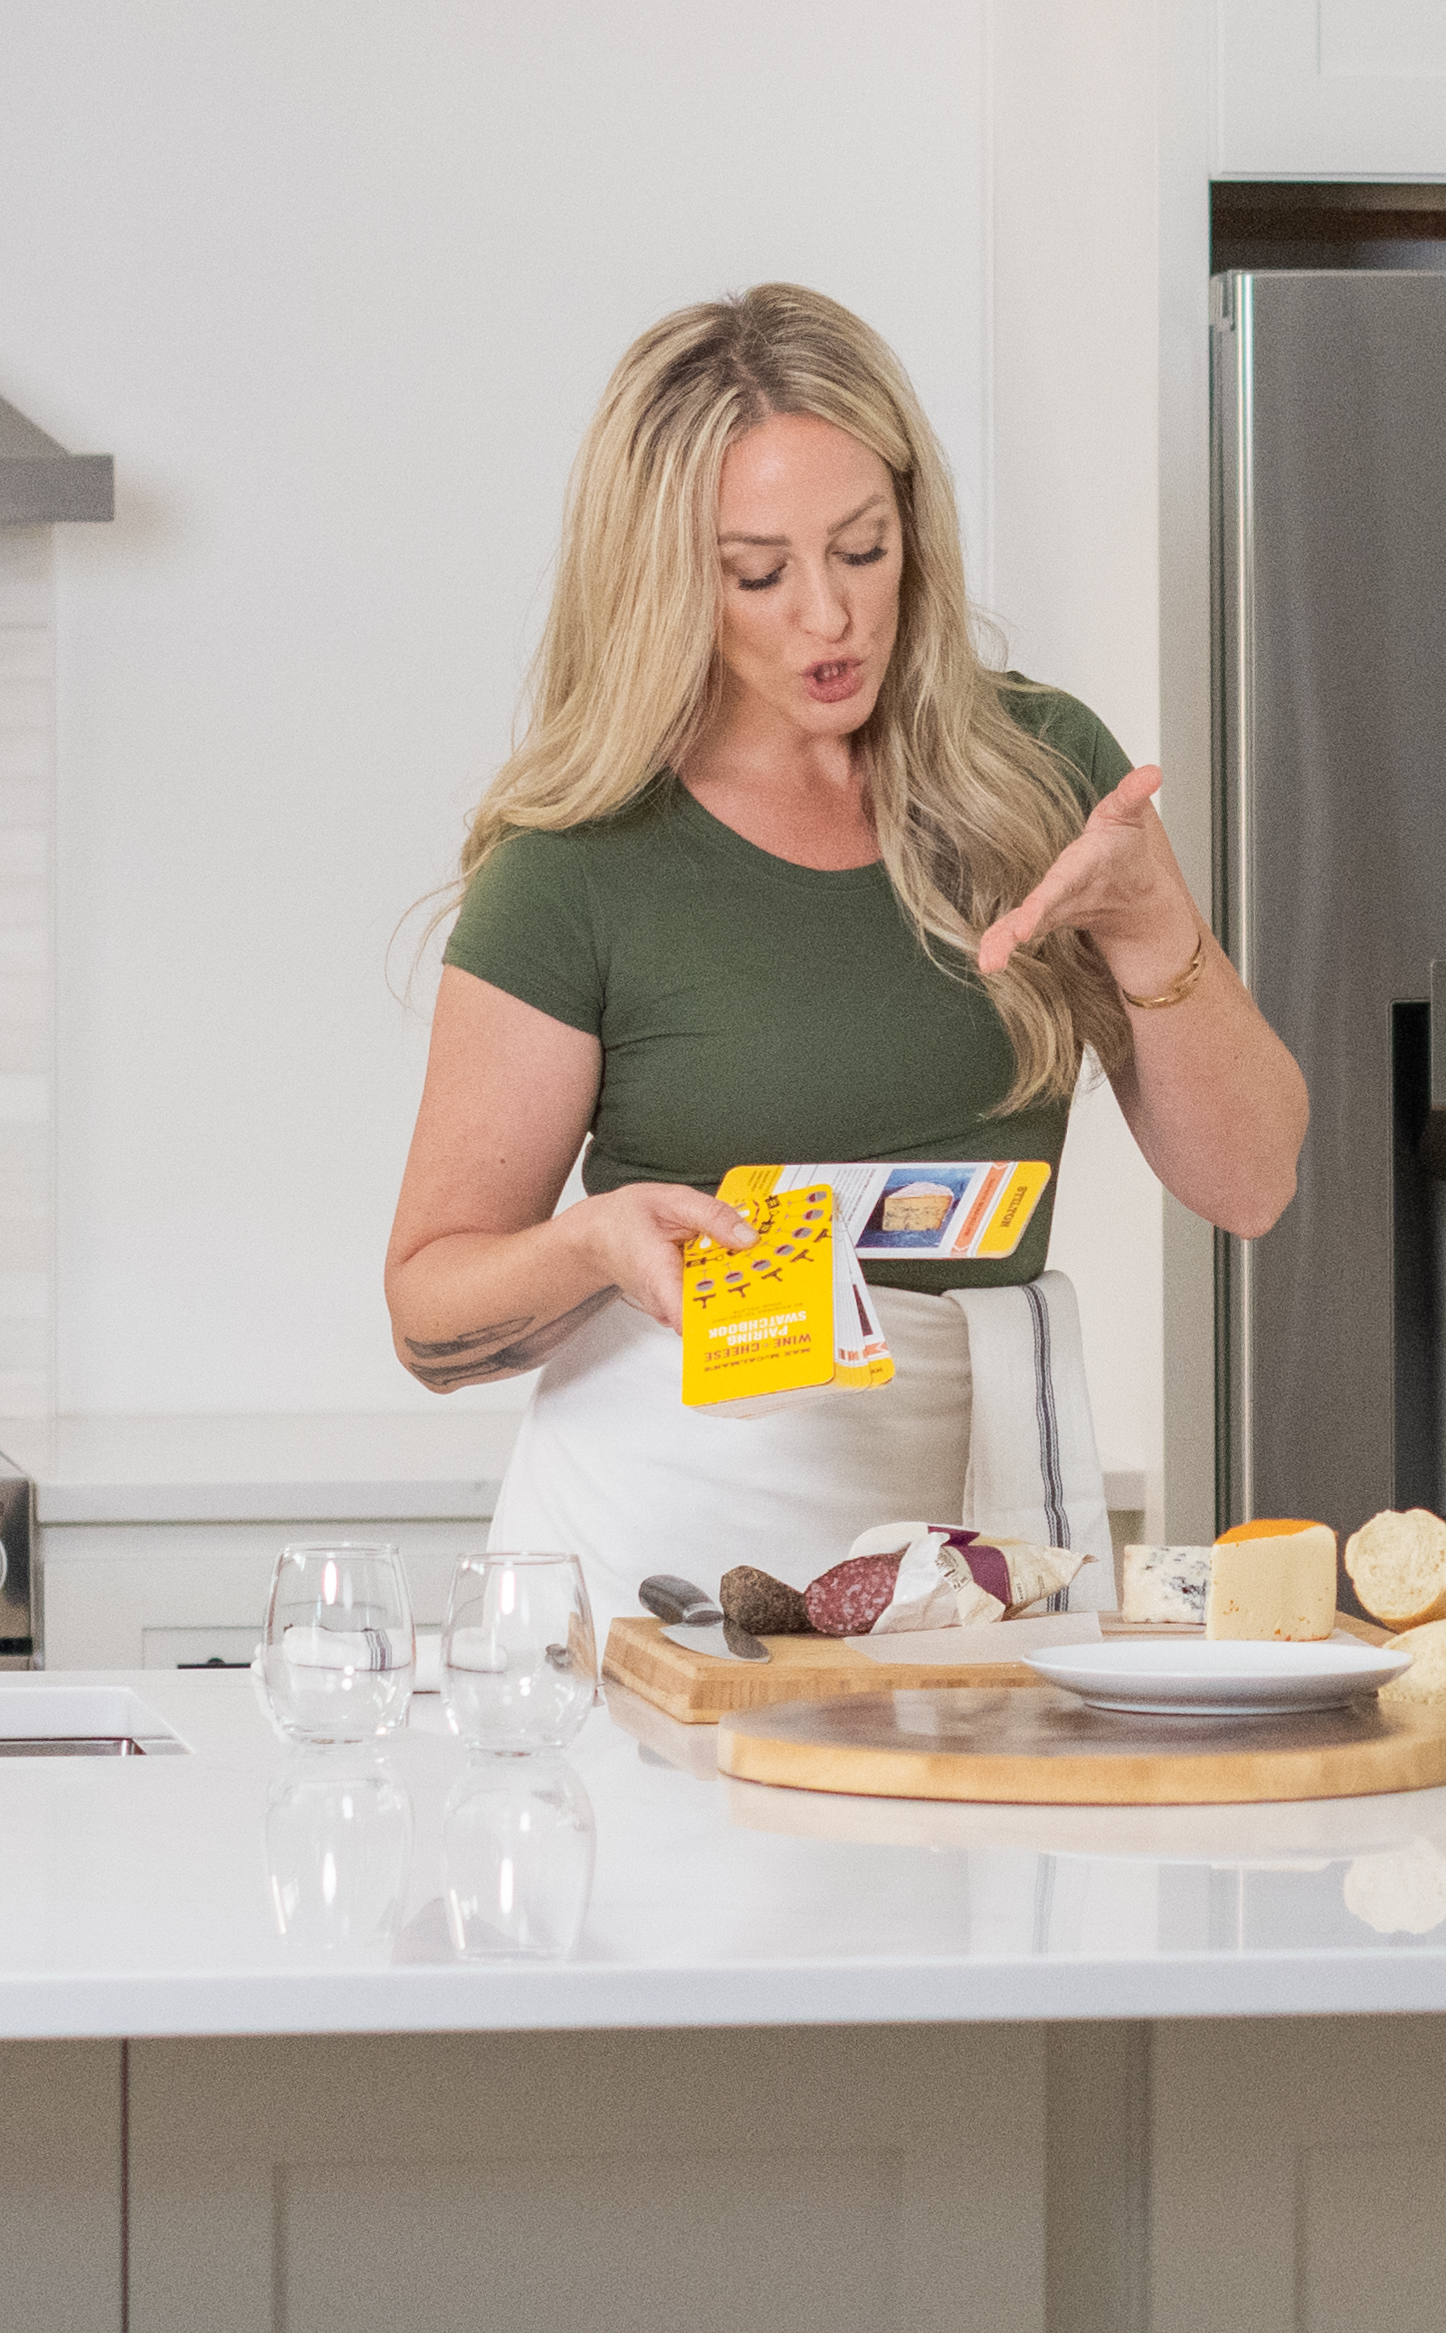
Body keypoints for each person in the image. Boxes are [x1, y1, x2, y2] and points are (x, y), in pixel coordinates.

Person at [388, 285, 1304, 1613]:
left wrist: (1157, 919)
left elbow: (1254, 1184)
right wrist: (592, 1244)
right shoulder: (576, 868)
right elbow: (430, 1311)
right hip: (656, 1571)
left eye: (863, 548)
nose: (828, 613)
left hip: (971, 1558)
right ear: (664, 580)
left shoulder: (1040, 777)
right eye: (758, 573)